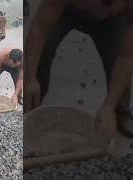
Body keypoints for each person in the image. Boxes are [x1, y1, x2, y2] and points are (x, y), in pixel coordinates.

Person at [24, 0, 133, 142]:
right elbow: (40, 28)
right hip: (68, 11)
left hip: (114, 21)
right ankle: (31, 102)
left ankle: (119, 111)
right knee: (41, 53)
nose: (100, 14)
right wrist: (30, 78)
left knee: (116, 57)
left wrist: (109, 106)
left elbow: (126, 56)